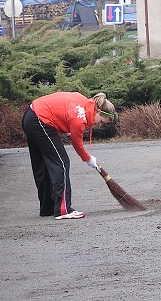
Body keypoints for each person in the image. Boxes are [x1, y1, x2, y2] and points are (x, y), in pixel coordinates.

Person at [21, 91, 116, 219]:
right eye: (101, 122)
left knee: (43, 164)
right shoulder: (80, 119)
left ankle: (47, 207)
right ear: (98, 111)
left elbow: (65, 110)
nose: (98, 125)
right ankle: (63, 210)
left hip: (30, 115)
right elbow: (77, 144)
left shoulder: (83, 102)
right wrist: (89, 159)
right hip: (40, 121)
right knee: (62, 163)